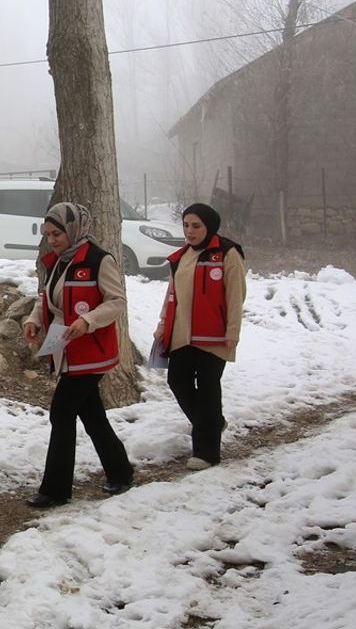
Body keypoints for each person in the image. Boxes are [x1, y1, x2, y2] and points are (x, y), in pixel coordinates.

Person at [22, 202, 135, 508]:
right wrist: (34, 319)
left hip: (92, 352)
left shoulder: (99, 260)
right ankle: (121, 471)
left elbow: (117, 302)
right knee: (92, 414)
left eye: (57, 233)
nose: (53, 240)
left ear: (73, 229)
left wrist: (88, 321)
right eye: (48, 234)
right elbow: (47, 297)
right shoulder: (58, 261)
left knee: (61, 412)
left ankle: (55, 490)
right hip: (65, 349)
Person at [153, 202, 246, 470]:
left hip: (214, 335)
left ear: (210, 227)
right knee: (177, 381)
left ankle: (206, 452)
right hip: (182, 334)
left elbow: (235, 295)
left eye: (196, 226)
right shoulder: (181, 257)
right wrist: (162, 324)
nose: (190, 231)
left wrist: (232, 332)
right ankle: (213, 423)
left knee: (207, 390)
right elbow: (172, 294)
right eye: (186, 226)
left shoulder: (227, 253)